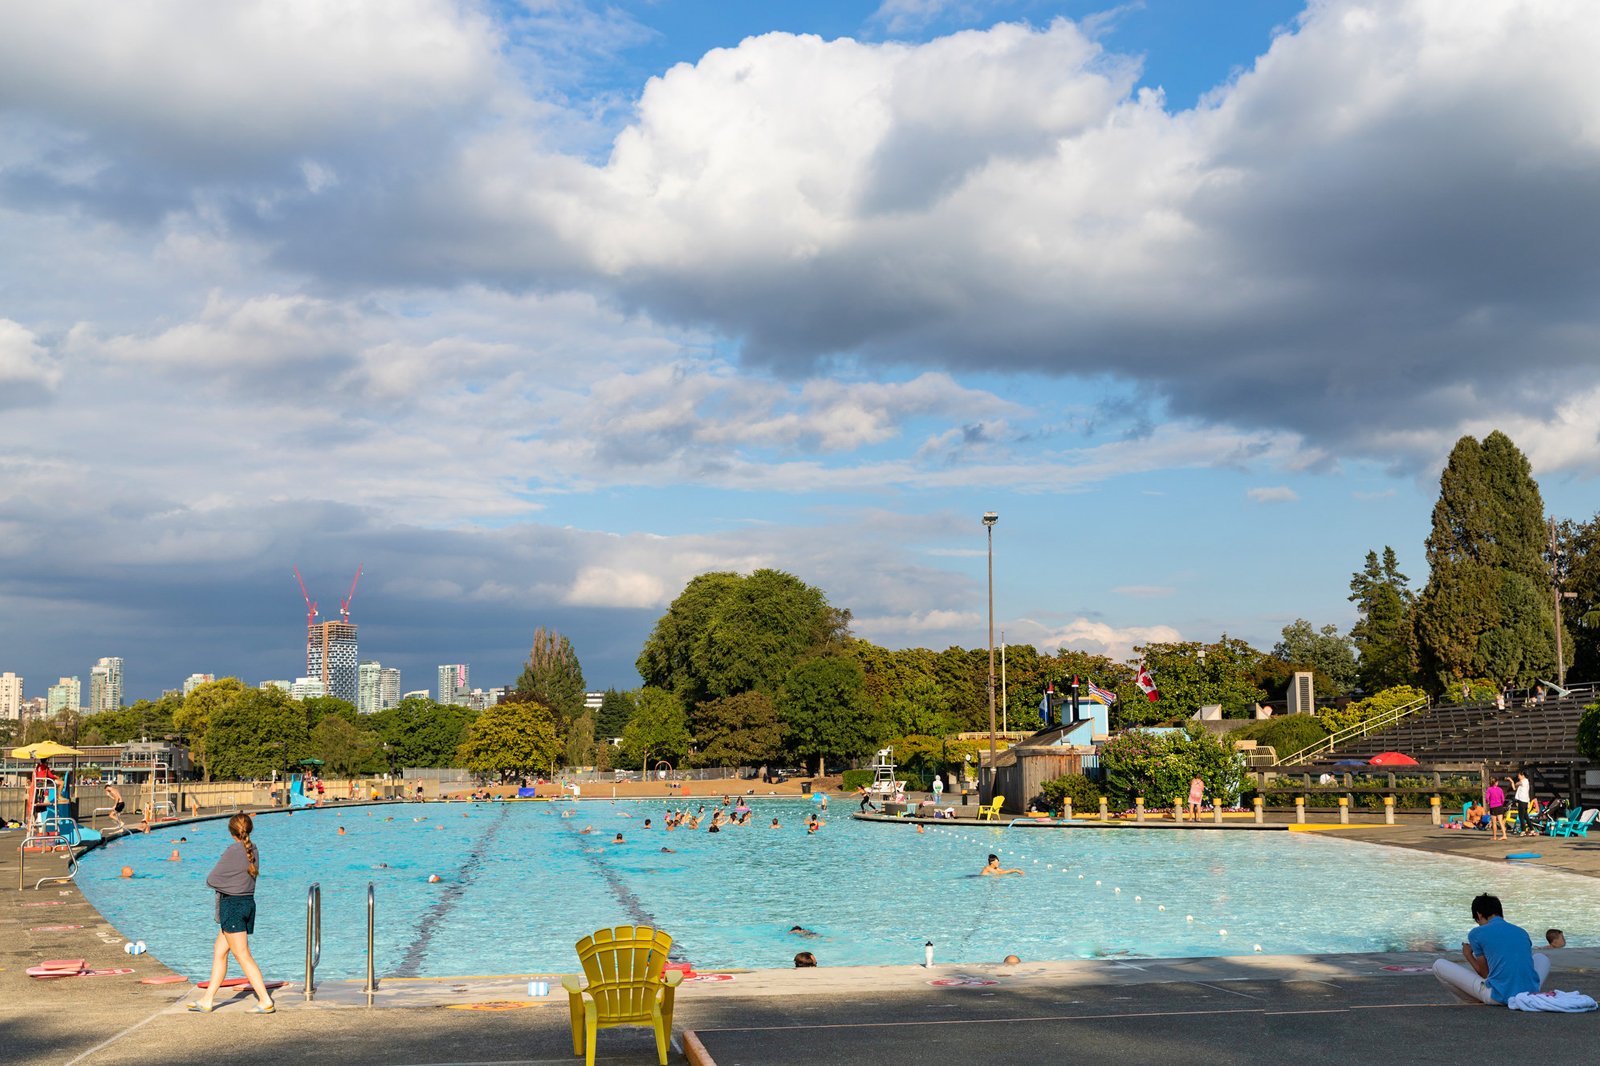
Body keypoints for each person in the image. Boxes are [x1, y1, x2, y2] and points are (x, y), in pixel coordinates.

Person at [188, 813, 274, 1013]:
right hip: (247, 903)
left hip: (232, 906)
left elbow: (212, 879)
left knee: (243, 955)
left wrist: (227, 884)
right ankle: (207, 999)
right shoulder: (253, 849)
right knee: (219, 952)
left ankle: (264, 1000)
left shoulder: (233, 850)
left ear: (231, 831)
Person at [1431, 893, 1549, 1006]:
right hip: (1528, 993)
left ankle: (1470, 1001)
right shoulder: (1521, 932)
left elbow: (1484, 974)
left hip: (1498, 996)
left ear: (1479, 914)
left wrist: (1468, 955)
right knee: (1541, 957)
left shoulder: (1476, 933)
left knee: (1438, 965)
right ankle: (1527, 988)